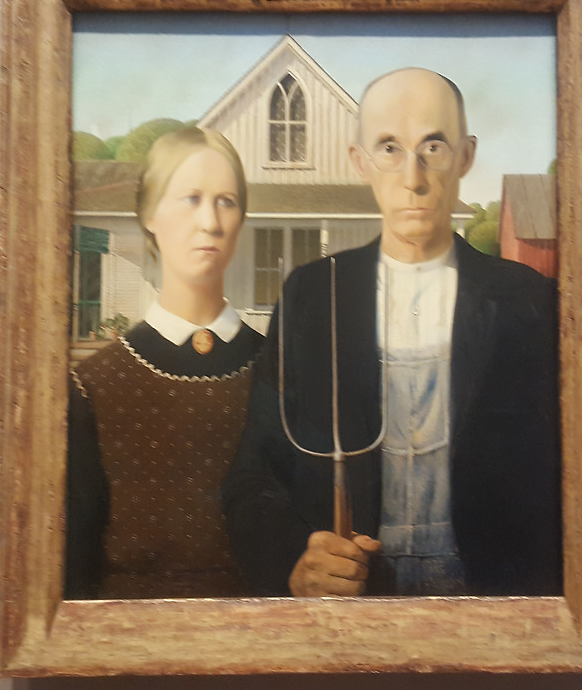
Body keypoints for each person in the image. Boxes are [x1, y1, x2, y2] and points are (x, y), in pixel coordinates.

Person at [222, 68, 561, 597]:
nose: (413, 177)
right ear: (360, 161)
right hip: (354, 605)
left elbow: (566, 483)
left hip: (490, 604)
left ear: (466, 156)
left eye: (433, 147)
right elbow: (254, 476)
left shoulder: (527, 303)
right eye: (389, 149)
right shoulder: (314, 297)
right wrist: (295, 560)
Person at [64, 127, 264, 599]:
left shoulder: (281, 369)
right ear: (150, 214)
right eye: (191, 199)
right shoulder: (93, 386)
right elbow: (73, 580)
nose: (210, 222)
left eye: (227, 202)